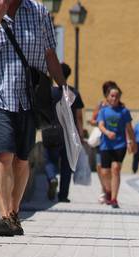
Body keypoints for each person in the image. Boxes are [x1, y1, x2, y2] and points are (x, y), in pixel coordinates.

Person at [0, 0, 65, 236]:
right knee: (4, 154)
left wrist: (64, 88)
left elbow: (50, 53)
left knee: (22, 160)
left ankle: (14, 213)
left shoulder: (39, 12)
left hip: (28, 99)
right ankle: (3, 216)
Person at [45, 63, 85, 203]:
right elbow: (79, 117)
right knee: (67, 165)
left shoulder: (49, 92)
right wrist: (80, 135)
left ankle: (52, 178)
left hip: (50, 130)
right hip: (68, 133)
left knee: (50, 160)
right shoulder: (73, 93)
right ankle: (63, 195)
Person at [97, 85, 136, 209]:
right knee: (104, 172)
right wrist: (107, 133)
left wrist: (132, 142)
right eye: (112, 96)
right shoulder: (103, 111)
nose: (114, 98)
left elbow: (129, 129)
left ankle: (114, 199)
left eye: (117, 96)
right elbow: (101, 125)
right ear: (108, 97)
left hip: (120, 144)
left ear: (119, 98)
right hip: (106, 145)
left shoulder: (124, 111)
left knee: (116, 168)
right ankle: (108, 191)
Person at [89, 80, 121, 204]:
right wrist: (100, 122)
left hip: (114, 141)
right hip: (101, 139)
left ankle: (109, 192)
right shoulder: (101, 105)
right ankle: (105, 190)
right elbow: (92, 120)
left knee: (112, 168)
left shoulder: (119, 106)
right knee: (99, 167)